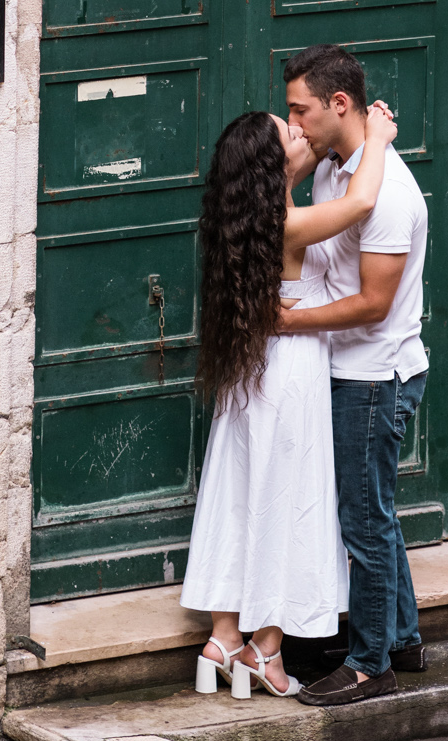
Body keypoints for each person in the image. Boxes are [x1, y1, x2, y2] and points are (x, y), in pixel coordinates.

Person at [180, 100, 400, 698]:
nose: (299, 129)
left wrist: (290, 173)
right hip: (291, 374)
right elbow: (360, 203)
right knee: (288, 498)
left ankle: (222, 639)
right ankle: (267, 651)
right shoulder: (289, 225)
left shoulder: (243, 223)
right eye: (289, 133)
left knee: (240, 492)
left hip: (247, 377)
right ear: (272, 169)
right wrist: (377, 139)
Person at [279, 43, 429, 705]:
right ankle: (400, 636)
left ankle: (370, 665)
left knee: (362, 522)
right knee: (375, 513)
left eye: (300, 111)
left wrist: (284, 325)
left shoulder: (389, 194)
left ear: (339, 105)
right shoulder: (336, 166)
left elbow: (373, 304)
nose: (294, 125)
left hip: (372, 375)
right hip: (344, 367)